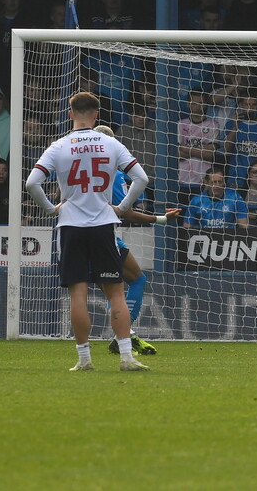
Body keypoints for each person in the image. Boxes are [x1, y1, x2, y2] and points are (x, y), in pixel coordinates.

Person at [24, 91, 151, 372]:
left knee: (78, 294)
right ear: (96, 115)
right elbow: (141, 178)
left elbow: (32, 183)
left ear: (70, 114)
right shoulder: (111, 143)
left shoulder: (58, 146)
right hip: (104, 224)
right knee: (116, 293)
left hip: (71, 225)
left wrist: (51, 209)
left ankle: (84, 360)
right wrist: (121, 206)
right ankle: (127, 358)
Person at [94, 125, 182, 356]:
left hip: (78, 233)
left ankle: (122, 337)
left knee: (105, 290)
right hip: (104, 235)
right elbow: (125, 211)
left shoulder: (81, 169)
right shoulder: (113, 174)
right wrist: (161, 218)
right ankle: (124, 335)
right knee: (136, 280)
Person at [183, 167, 250, 230]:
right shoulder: (196, 201)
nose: (217, 185)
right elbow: (187, 228)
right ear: (207, 183)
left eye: (220, 182)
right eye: (213, 182)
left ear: (224, 182)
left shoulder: (235, 197)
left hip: (229, 238)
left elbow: (244, 226)